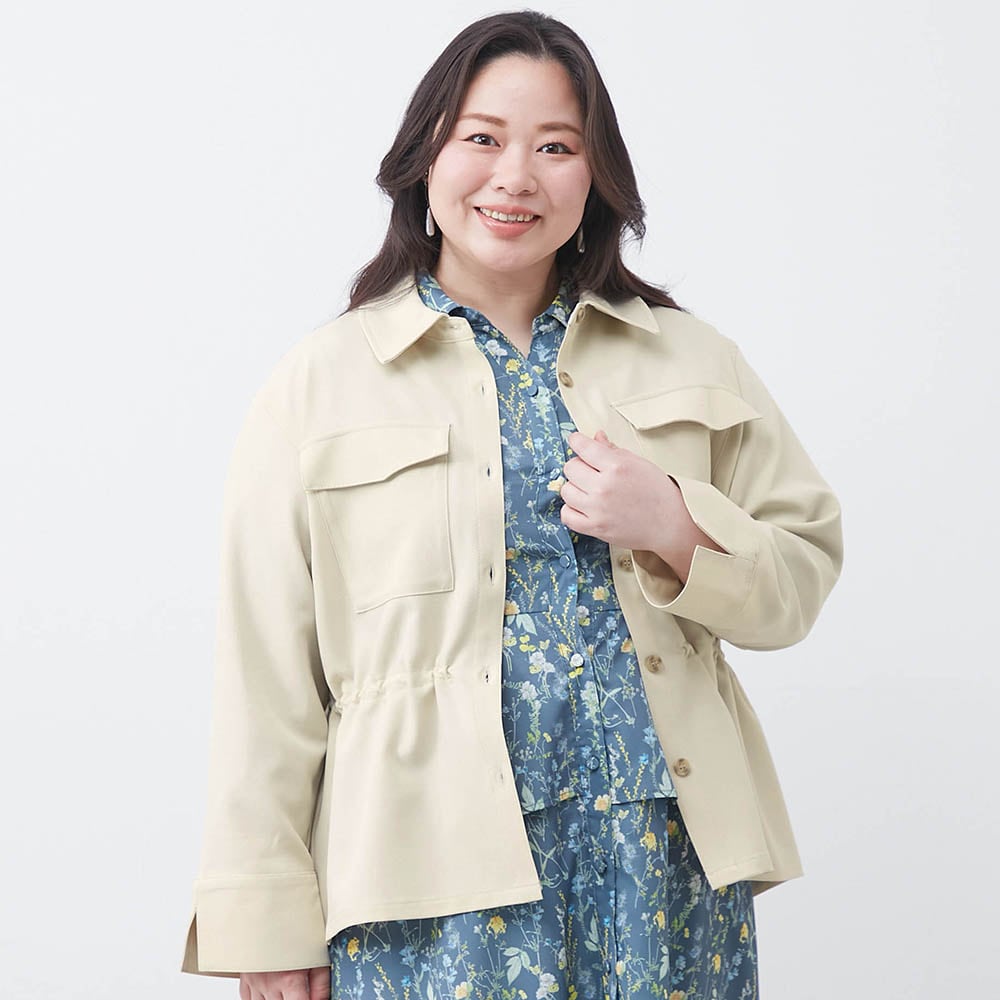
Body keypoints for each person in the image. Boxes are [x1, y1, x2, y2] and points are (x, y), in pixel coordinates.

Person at [180, 10, 843, 1000]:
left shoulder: (691, 356)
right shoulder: (320, 386)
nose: (515, 176)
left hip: (661, 869)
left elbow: (800, 573)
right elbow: (266, 679)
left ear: (596, 173)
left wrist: (675, 524)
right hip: (425, 892)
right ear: (426, 157)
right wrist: (267, 921)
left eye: (556, 147)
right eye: (482, 137)